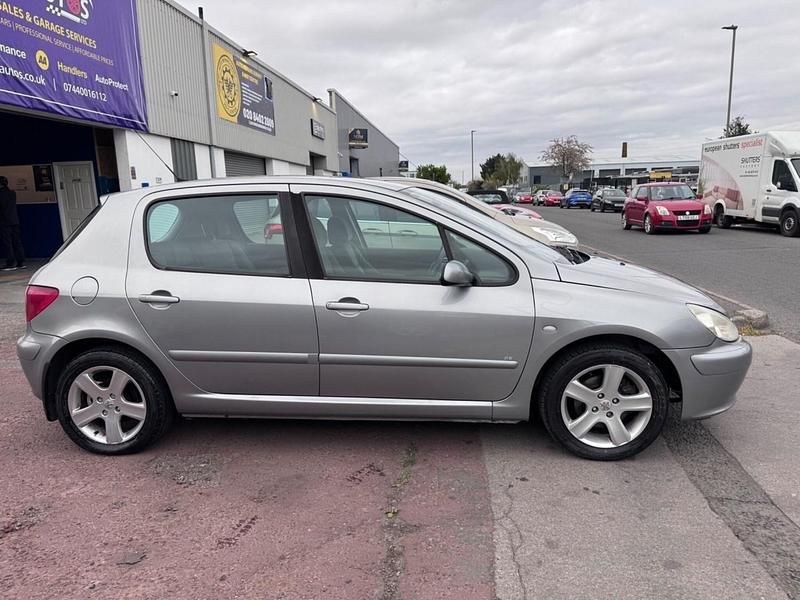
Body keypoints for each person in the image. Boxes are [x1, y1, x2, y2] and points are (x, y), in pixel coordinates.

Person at [0, 176, 25, 271]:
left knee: (8, 243)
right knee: (17, 242)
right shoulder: (12, 193)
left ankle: (10, 263)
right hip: (14, 220)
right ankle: (20, 262)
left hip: (4, 222)